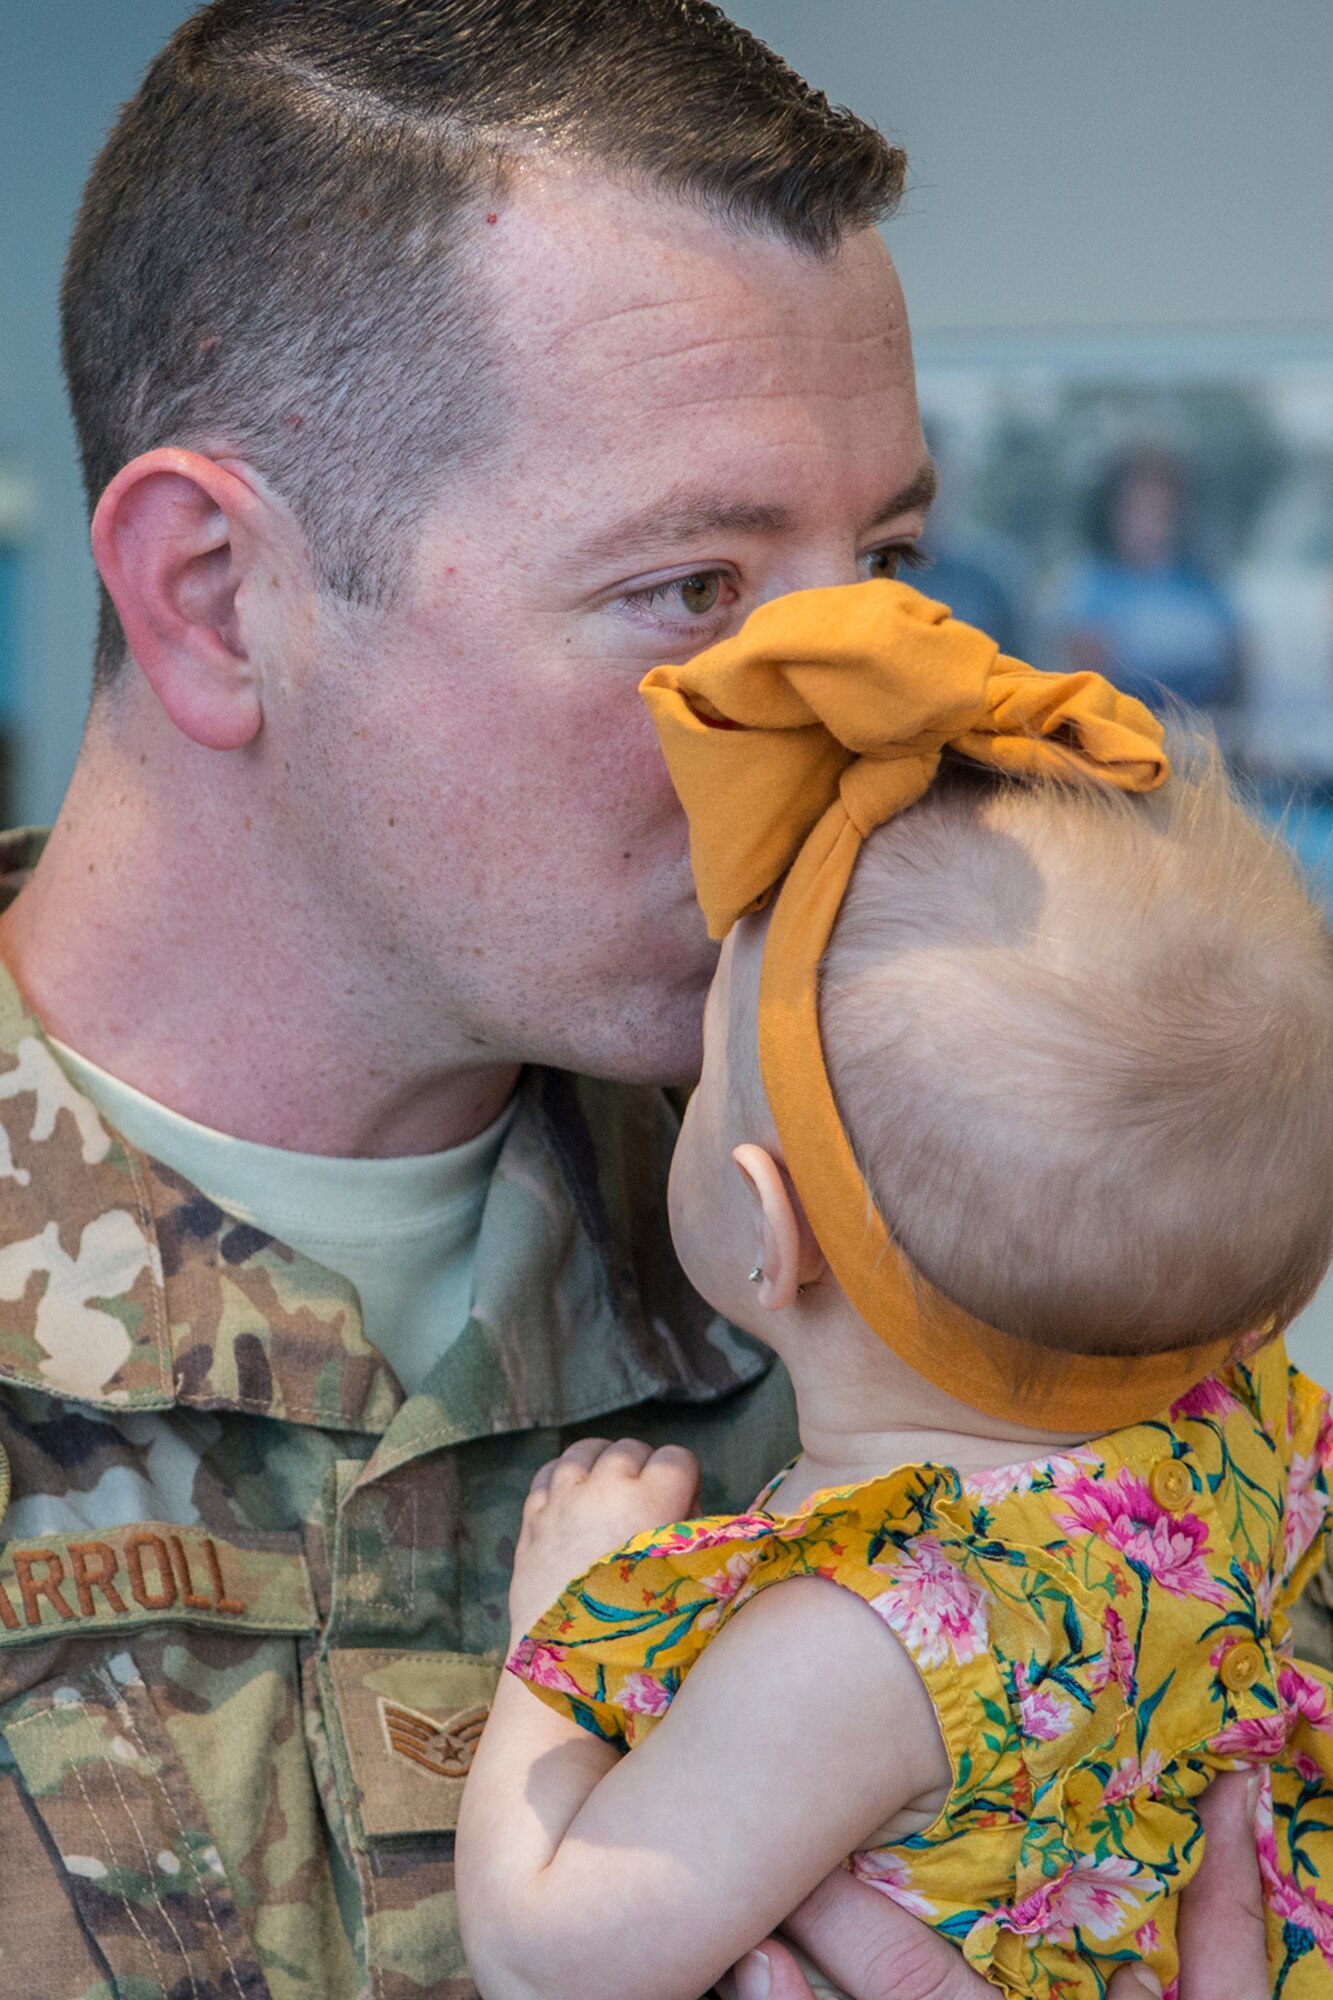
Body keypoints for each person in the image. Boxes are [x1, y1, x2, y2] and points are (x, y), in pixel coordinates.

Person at [0, 1, 1283, 1994]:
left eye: (888, 559)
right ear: (212, 597)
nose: (850, 735)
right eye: (690, 590)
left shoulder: (958, 1228)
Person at [457, 581, 1333, 1999]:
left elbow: (550, 1954)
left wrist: (554, 1623)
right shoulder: (1244, 1421)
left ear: (765, 1220)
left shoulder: (858, 1649)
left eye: (706, 1053)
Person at [1058, 449, 1245, 722]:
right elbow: (1091, 686)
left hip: (1208, 730)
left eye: (1160, 509)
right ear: (1113, 512)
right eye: (1138, 509)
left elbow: (1238, 661)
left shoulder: (1203, 583)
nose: (1150, 522)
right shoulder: (1090, 587)